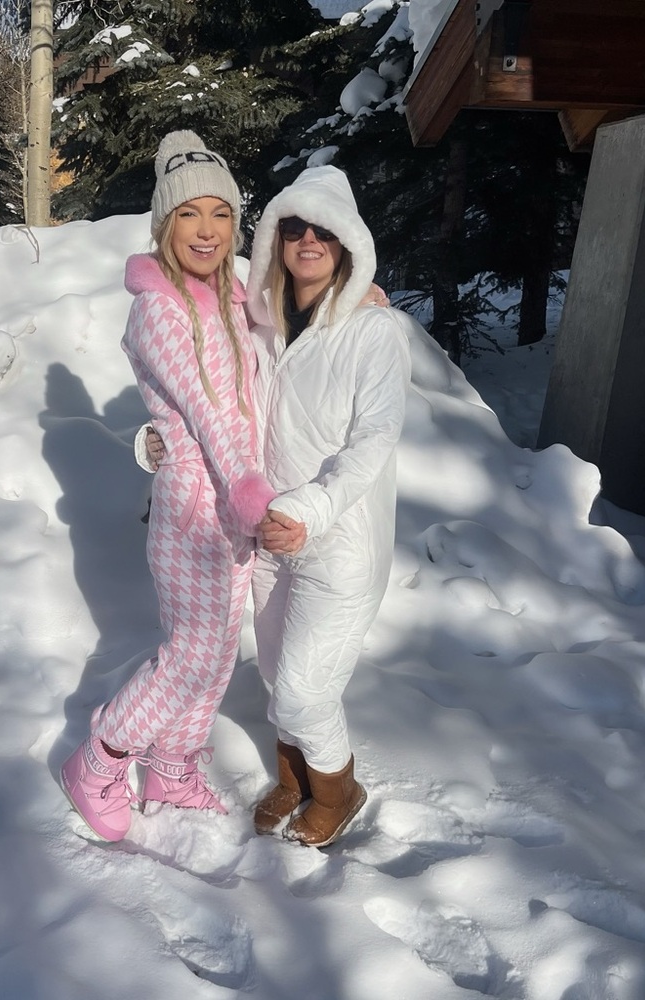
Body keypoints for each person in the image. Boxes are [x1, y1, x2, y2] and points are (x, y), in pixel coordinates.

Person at [60, 131, 278, 842]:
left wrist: (356, 288)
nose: (208, 229)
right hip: (196, 511)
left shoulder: (230, 294)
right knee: (188, 658)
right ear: (164, 224)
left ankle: (172, 769)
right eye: (190, 214)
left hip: (234, 508)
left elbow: (277, 350)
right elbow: (211, 413)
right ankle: (98, 761)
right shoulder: (158, 308)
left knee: (215, 657)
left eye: (220, 212)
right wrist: (248, 489)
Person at [246, 165, 412, 847]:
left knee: (306, 691)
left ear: (347, 242)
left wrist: (310, 509)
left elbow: (375, 441)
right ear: (275, 238)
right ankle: (295, 778)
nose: (308, 239)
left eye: (324, 229)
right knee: (273, 671)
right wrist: (158, 441)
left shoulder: (374, 332)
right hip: (268, 537)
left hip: (338, 542)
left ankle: (338, 790)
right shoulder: (259, 324)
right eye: (294, 226)